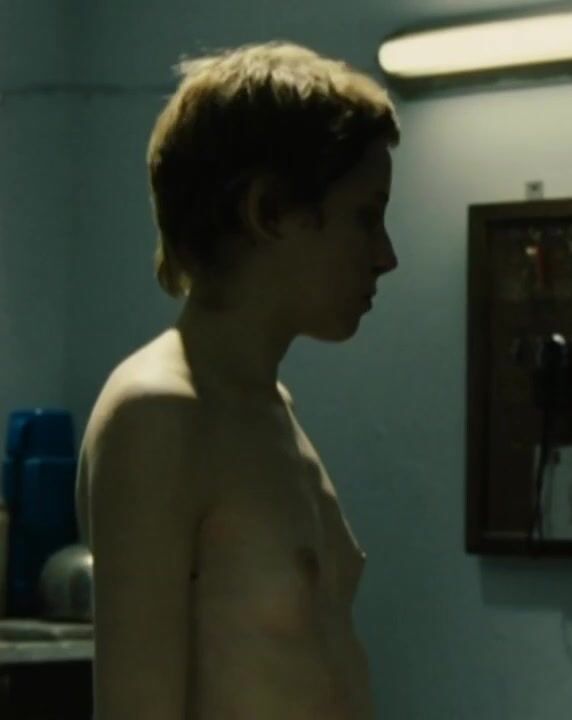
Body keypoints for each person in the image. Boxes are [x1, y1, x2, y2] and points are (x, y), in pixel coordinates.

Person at [75, 41, 400, 719]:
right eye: (365, 217)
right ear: (268, 210)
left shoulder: (270, 406)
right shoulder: (156, 414)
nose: (385, 255)